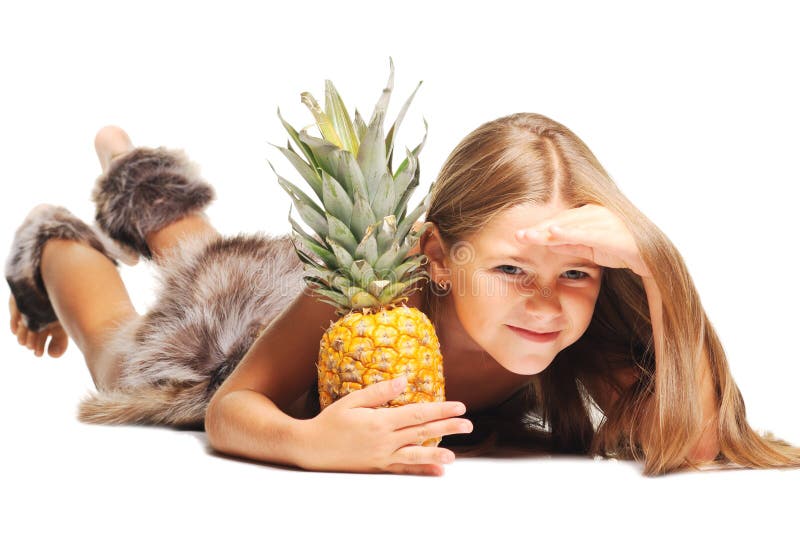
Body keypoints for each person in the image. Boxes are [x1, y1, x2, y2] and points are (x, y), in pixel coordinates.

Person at [7, 116, 800, 478]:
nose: (545, 304)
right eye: (512, 271)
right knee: (124, 353)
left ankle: (129, 160)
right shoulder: (378, 293)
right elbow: (230, 408)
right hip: (247, 329)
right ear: (439, 260)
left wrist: (655, 265)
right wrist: (309, 443)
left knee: (201, 252)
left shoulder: (582, 341)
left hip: (285, 280)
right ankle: (53, 246)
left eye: (579, 273)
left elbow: (696, 443)